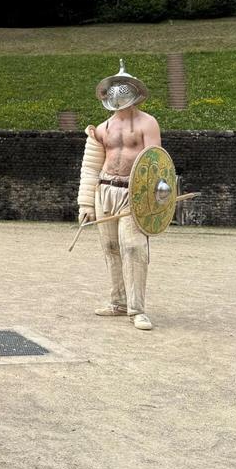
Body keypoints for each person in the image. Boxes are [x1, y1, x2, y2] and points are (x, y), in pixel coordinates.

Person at [76, 59, 161, 331]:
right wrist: (86, 203)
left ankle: (137, 308)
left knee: (133, 248)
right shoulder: (102, 128)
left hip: (133, 193)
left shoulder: (148, 123)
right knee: (110, 248)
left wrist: (153, 200)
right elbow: (90, 167)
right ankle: (118, 301)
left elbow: (156, 164)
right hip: (105, 191)